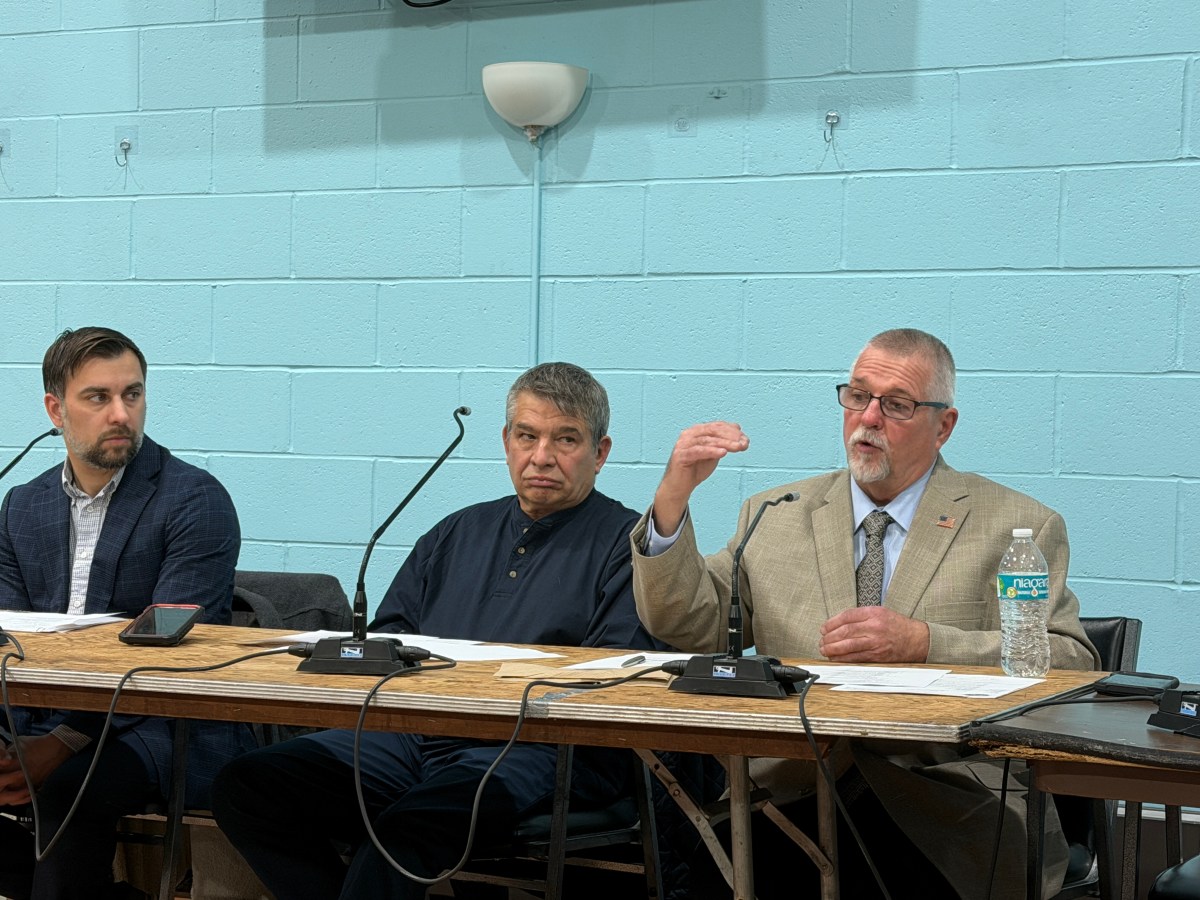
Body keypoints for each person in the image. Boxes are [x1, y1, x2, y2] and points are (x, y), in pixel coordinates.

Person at [631, 328, 1099, 900]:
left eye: (896, 404)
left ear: (943, 425)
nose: (868, 418)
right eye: (857, 396)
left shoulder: (1015, 525)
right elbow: (690, 626)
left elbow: (1071, 661)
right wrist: (672, 499)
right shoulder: (777, 514)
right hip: (789, 793)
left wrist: (927, 642)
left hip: (943, 799)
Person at [212, 361, 657, 900]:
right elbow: (389, 640)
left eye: (565, 440)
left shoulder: (625, 544)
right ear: (505, 441)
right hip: (414, 735)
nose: (542, 457)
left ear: (600, 453)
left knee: (410, 825)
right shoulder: (456, 532)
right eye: (527, 436)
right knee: (250, 785)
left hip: (539, 749)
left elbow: (613, 672)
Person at [0, 326, 248, 900]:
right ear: (55, 410)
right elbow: (12, 640)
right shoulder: (22, 505)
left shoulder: (193, 499)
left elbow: (160, 654)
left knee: (65, 788)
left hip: (156, 726)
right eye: (98, 397)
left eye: (132, 395)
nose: (120, 413)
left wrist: (59, 742)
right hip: (37, 720)